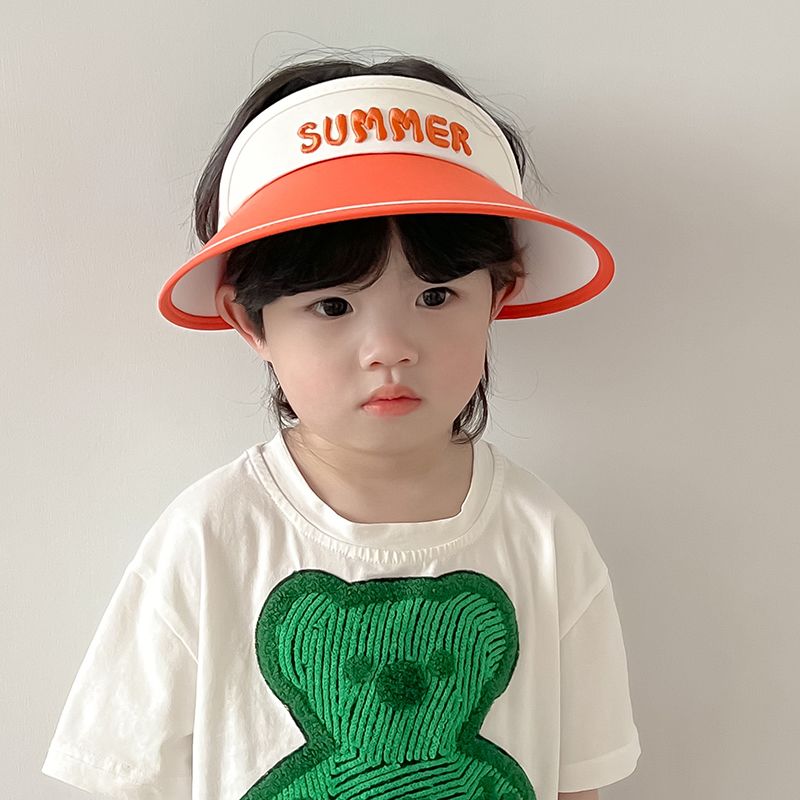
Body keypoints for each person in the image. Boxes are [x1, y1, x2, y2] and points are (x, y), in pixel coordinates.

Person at [41, 52, 641, 800]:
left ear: (499, 293)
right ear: (249, 321)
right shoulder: (211, 537)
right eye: (332, 305)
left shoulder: (546, 539)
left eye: (435, 296)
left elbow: (579, 779)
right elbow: (124, 775)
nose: (390, 347)